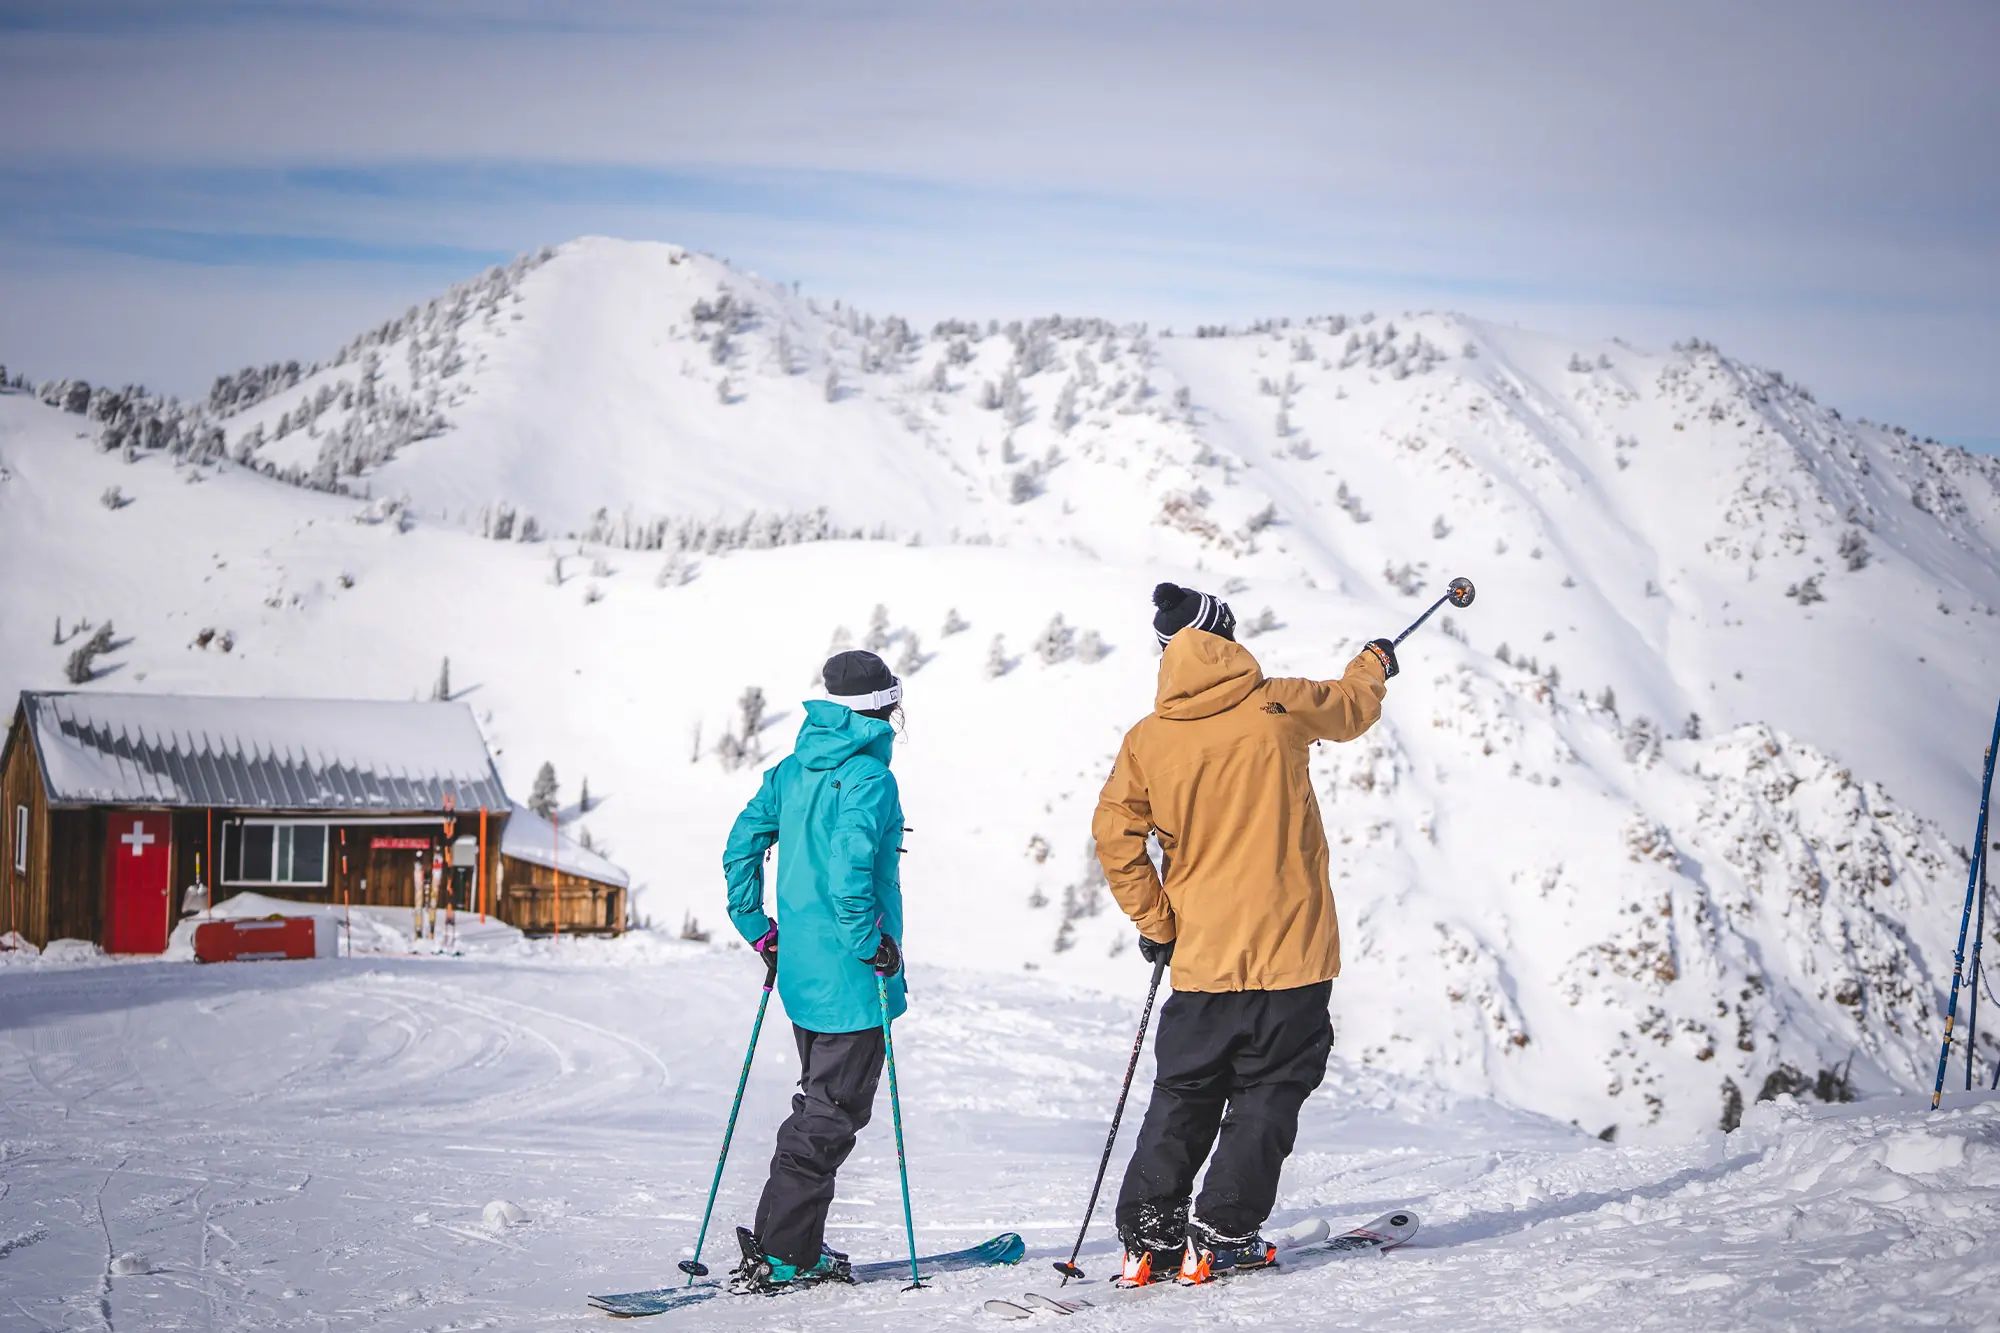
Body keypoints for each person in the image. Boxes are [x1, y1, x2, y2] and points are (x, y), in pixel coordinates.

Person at [1091, 582, 1396, 1286]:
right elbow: (1352, 709)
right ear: (1226, 640)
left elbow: (1116, 837)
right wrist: (1373, 661)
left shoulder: (1148, 739)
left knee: (1184, 1091)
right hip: (1291, 953)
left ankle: (1150, 1237)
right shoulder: (1278, 704)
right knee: (1271, 1088)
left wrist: (1158, 922)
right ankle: (1223, 1229)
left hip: (1201, 958)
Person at [721, 649, 908, 1291]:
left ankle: (785, 1241)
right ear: (883, 709)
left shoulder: (791, 770)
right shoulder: (868, 779)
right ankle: (787, 1254)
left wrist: (757, 929)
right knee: (830, 1114)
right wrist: (868, 942)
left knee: (818, 1106)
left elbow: (740, 845)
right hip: (853, 981)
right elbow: (850, 871)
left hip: (801, 974)